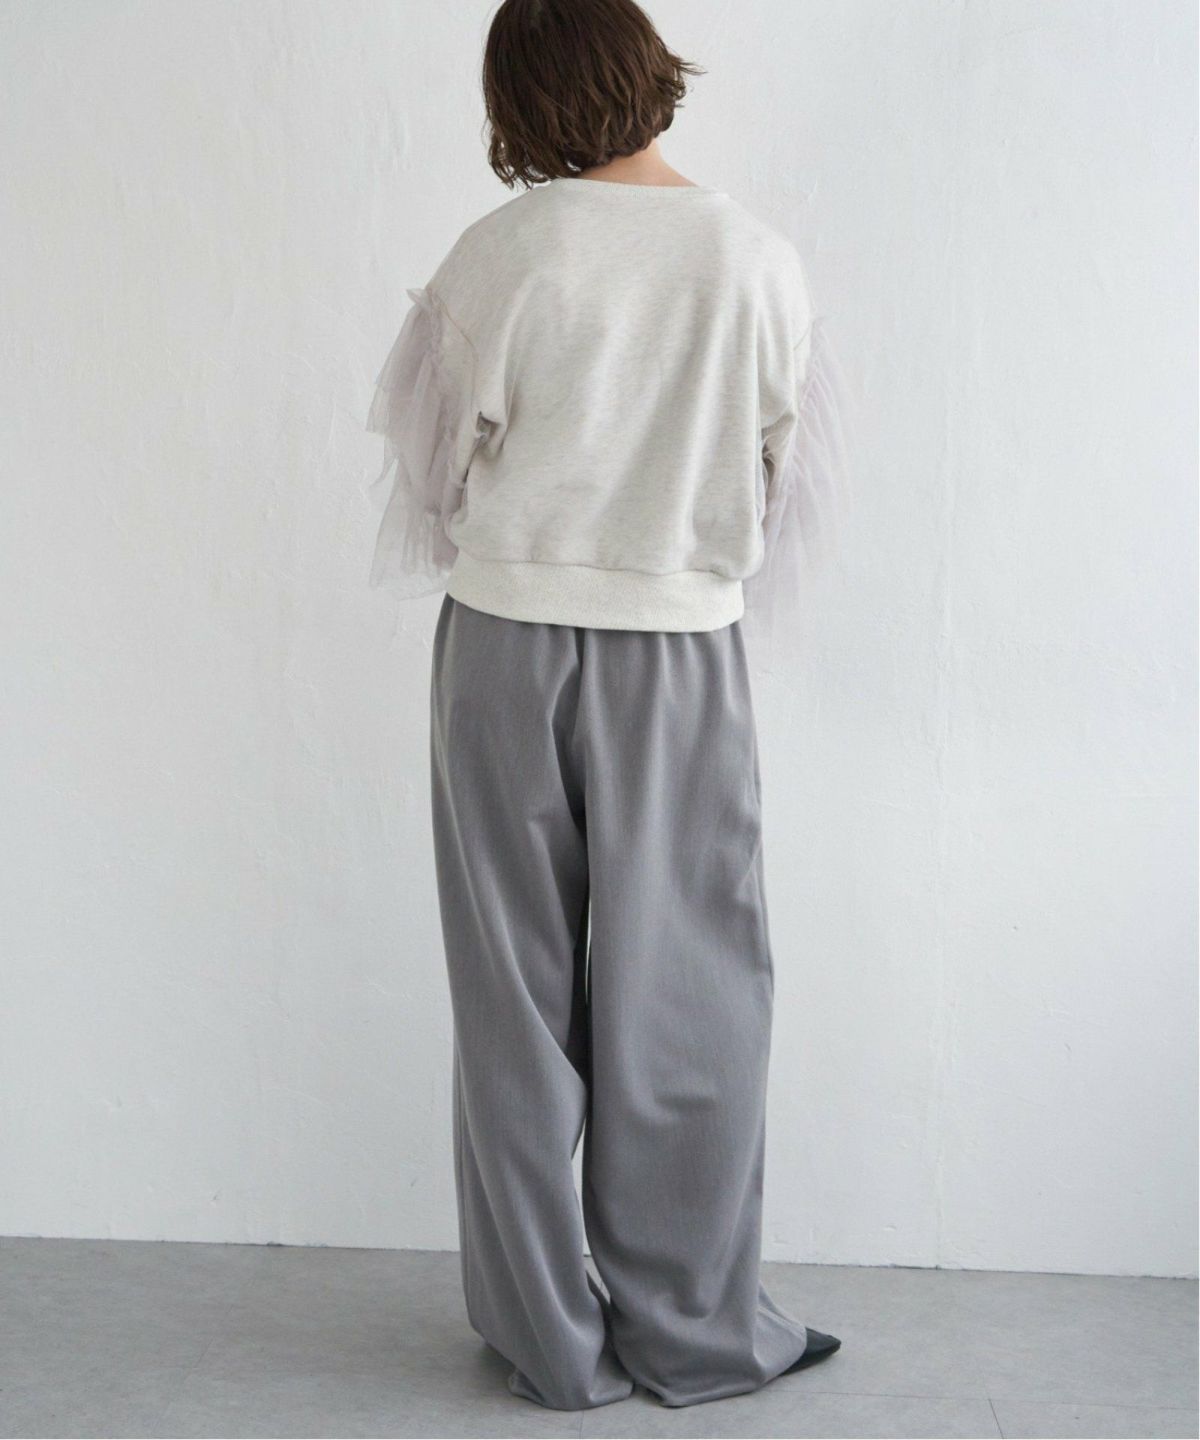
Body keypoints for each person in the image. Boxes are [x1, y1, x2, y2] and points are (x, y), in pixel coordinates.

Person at [365, 0, 848, 1412]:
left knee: (512, 999)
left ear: (519, 96)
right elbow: (784, 479)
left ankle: (548, 1336)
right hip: (679, 656)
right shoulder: (756, 261)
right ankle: (694, 1328)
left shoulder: (499, 254)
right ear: (647, 69)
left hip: (504, 649)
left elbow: (434, 476)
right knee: (692, 992)